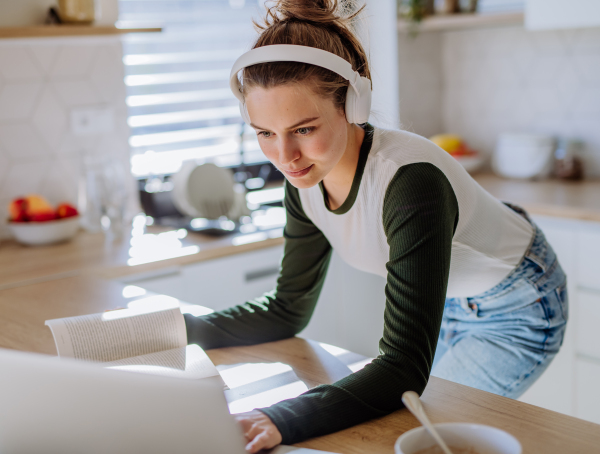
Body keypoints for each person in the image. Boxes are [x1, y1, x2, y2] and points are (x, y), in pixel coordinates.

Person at [184, 1, 569, 452]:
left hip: (517, 306)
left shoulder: (409, 183)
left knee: (422, 436)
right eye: (265, 133)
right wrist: (175, 331)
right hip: (453, 299)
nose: (284, 156)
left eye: (304, 129)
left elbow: (403, 364)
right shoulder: (304, 177)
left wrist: (282, 417)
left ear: (352, 103)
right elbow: (288, 309)